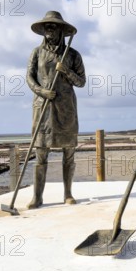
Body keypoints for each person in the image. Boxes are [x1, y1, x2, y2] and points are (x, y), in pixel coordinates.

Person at [26, 11, 86, 209]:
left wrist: (66, 71)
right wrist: (42, 91)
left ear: (61, 30)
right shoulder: (36, 52)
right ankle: (37, 197)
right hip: (43, 107)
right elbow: (29, 78)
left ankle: (68, 194)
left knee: (68, 151)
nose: (49, 31)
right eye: (46, 27)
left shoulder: (73, 54)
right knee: (41, 151)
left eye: (53, 27)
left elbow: (81, 82)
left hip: (66, 108)